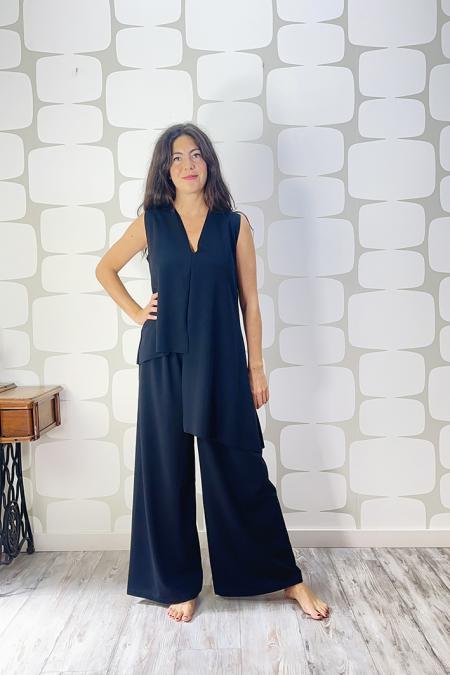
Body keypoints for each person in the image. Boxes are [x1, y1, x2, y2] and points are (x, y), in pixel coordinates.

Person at [95, 122, 329, 623]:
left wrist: (256, 367)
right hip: (163, 359)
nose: (188, 164)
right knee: (167, 472)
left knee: (240, 469)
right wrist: (137, 312)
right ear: (165, 169)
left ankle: (287, 579)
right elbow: (105, 269)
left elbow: (250, 302)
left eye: (196, 154)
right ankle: (178, 584)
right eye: (177, 157)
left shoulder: (233, 225)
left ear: (208, 163)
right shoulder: (151, 221)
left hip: (221, 361)